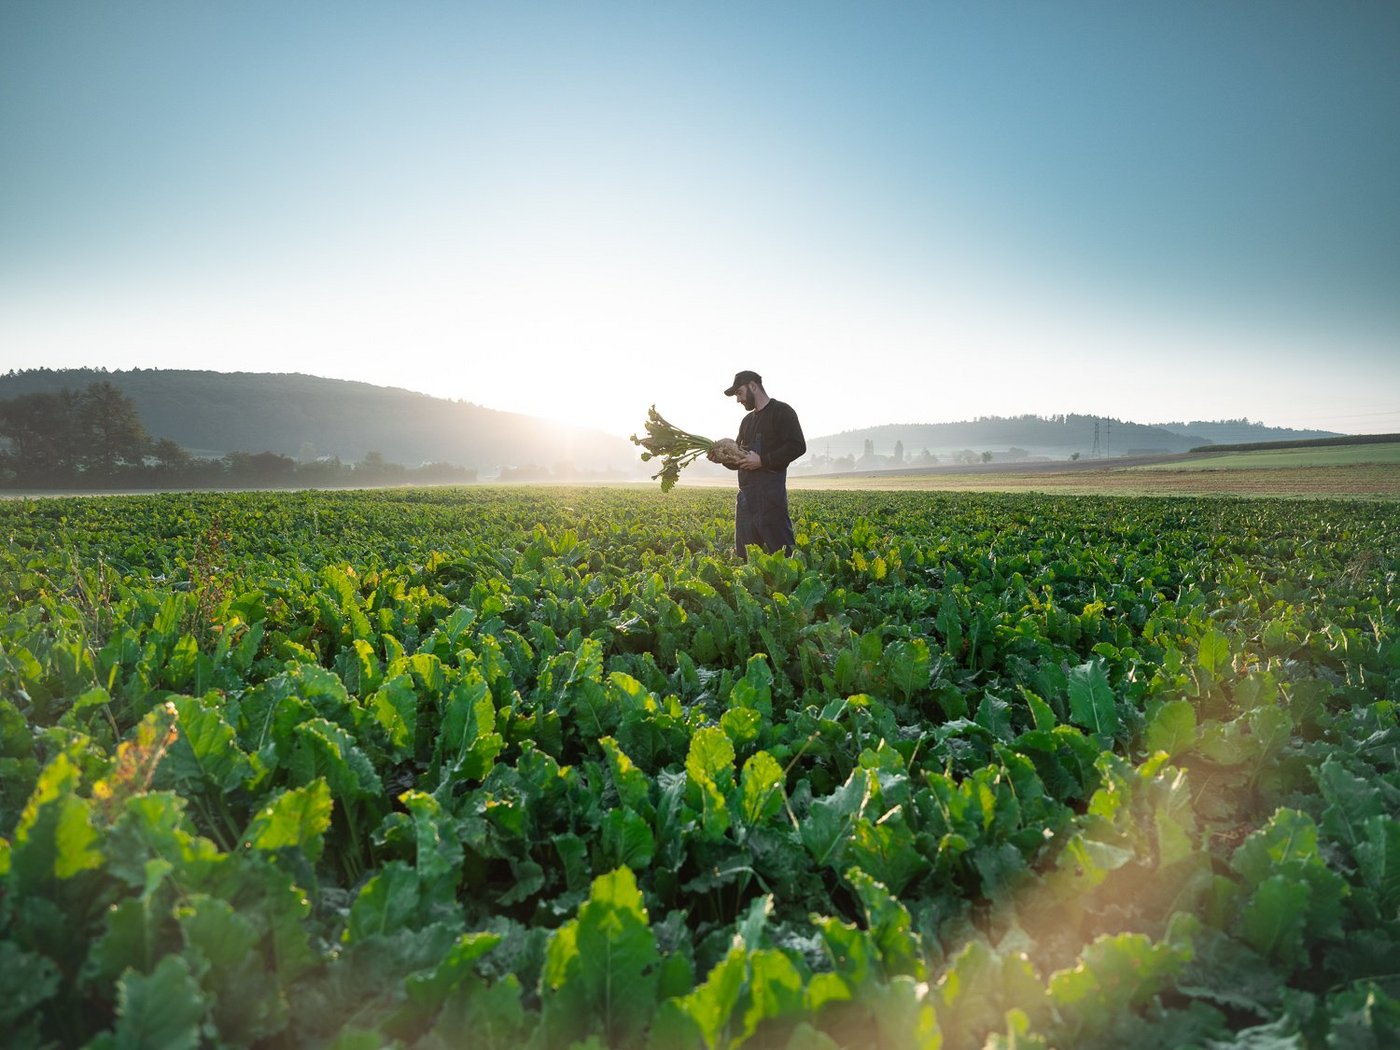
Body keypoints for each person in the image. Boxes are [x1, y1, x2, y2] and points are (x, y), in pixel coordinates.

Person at [709, 370, 806, 558]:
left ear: (753, 386)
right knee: (745, 558)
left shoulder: (781, 412)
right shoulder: (747, 421)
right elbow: (738, 460)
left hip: (770, 498)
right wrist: (722, 459)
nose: (738, 399)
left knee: (784, 554)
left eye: (739, 393)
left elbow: (797, 446)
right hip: (745, 498)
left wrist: (763, 461)